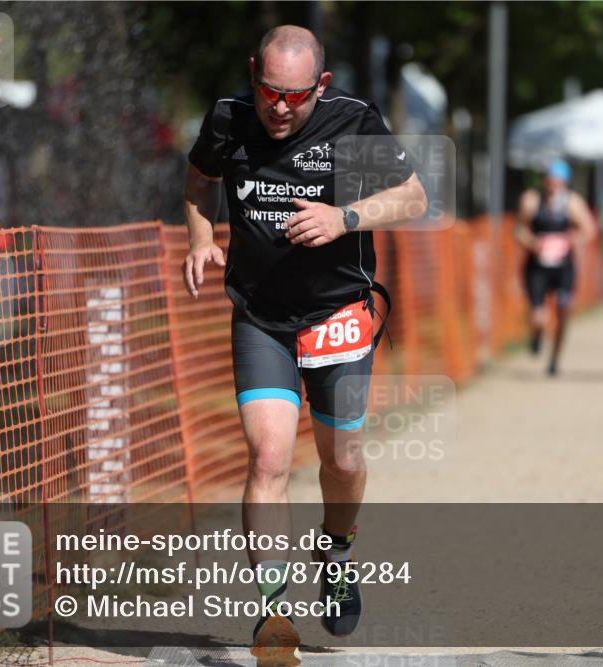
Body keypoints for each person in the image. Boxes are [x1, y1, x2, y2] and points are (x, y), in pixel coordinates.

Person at [181, 25, 427, 664]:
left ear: (321, 84)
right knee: (268, 458)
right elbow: (200, 179)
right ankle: (273, 611)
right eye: (269, 91)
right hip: (261, 317)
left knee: (341, 458)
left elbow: (413, 197)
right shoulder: (229, 119)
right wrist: (201, 238)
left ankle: (337, 552)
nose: (280, 107)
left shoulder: (353, 121)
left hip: (337, 312)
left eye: (295, 95)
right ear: (253, 74)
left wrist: (344, 217)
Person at [516, 160, 597, 376]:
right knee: (538, 316)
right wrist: (533, 243)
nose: (552, 186)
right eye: (550, 181)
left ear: (564, 183)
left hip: (563, 267)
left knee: (563, 311)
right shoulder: (532, 201)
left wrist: (572, 240)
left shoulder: (573, 203)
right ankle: (536, 335)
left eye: (557, 182)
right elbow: (519, 229)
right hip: (537, 266)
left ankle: (554, 359)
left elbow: (589, 229)